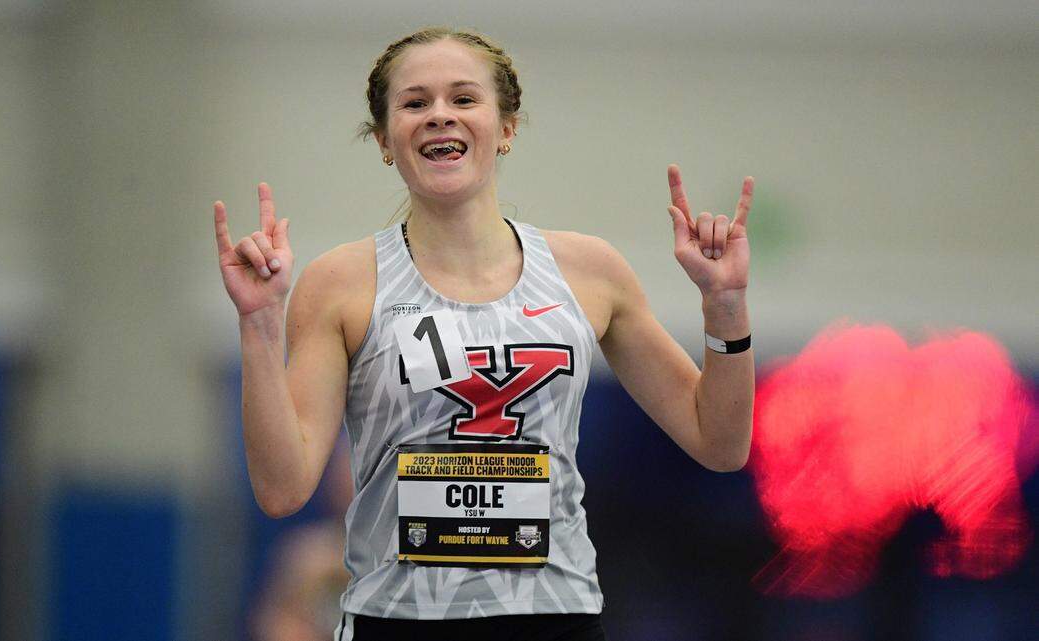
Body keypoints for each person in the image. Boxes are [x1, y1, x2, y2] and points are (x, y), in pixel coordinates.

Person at [213, 27, 754, 641]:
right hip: (397, 620)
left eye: (464, 99)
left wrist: (726, 305)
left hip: (554, 619)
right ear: (386, 140)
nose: (440, 115)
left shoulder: (589, 271)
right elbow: (283, 490)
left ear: (507, 128)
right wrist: (258, 323)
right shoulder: (341, 282)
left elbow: (720, 441)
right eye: (415, 103)